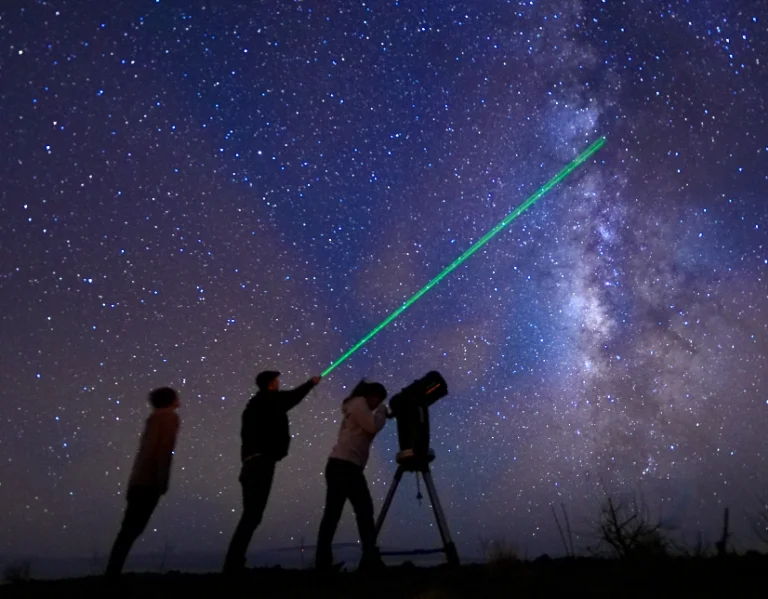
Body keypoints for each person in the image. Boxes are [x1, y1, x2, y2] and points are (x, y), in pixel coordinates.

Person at [223, 370, 321, 574]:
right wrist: (310, 383)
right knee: (252, 515)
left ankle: (234, 561)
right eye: (276, 380)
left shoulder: (252, 406)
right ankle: (233, 564)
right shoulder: (269, 400)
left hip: (250, 464)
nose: (278, 383)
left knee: (250, 514)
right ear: (270, 384)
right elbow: (292, 397)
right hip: (261, 463)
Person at [105, 387, 181, 579]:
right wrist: (162, 481)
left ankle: (112, 572)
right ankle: (112, 575)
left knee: (128, 529)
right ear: (170, 400)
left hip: (138, 481)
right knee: (133, 528)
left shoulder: (154, 419)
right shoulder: (169, 418)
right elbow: (163, 450)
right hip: (149, 482)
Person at [315, 380, 389, 572]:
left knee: (334, 514)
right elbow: (372, 427)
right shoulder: (359, 403)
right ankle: (370, 559)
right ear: (371, 396)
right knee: (364, 511)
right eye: (378, 399)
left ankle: (323, 562)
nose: (377, 404)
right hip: (345, 466)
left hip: (342, 465)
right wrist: (381, 411)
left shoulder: (355, 406)